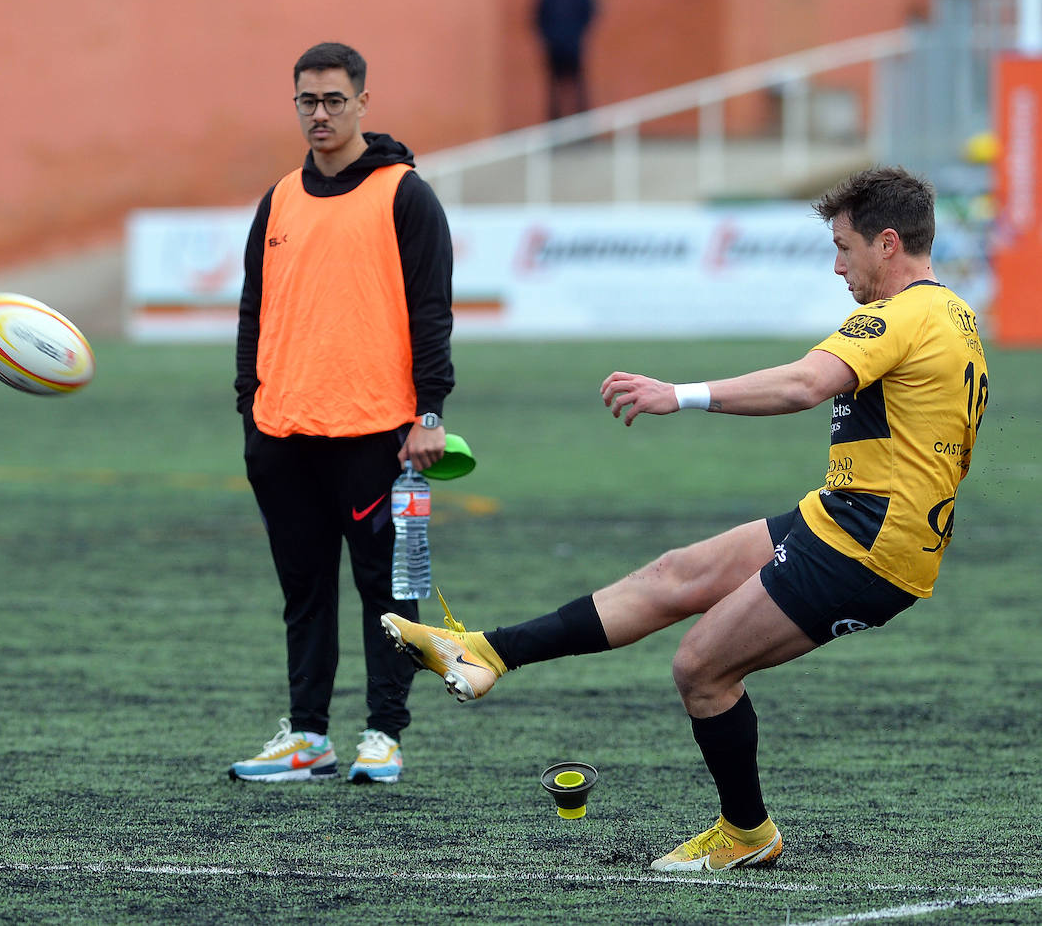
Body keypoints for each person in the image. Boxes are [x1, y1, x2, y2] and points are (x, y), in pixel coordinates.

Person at [383, 167, 988, 868]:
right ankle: (485, 651)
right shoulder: (954, 314)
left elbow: (804, 383)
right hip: (851, 517)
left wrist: (681, 393)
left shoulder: (898, 314)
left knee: (701, 668)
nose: (837, 263)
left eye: (844, 246)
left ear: (888, 243)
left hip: (867, 542)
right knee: (675, 574)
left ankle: (746, 831)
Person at [230, 42, 455, 785]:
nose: (319, 114)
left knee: (387, 590)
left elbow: (431, 311)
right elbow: (253, 312)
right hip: (283, 431)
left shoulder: (405, 194)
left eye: (332, 100)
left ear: (362, 101)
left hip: (376, 433)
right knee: (304, 591)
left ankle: (384, 734)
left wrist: (429, 411)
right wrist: (249, 412)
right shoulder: (280, 198)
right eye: (306, 101)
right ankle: (307, 735)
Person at [535, 0, 598, 120]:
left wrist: (577, 35)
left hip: (574, 48)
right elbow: (538, 17)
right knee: (554, 91)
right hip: (554, 49)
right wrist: (549, 37)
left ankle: (583, 127)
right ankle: (554, 127)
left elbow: (589, 12)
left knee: (578, 89)